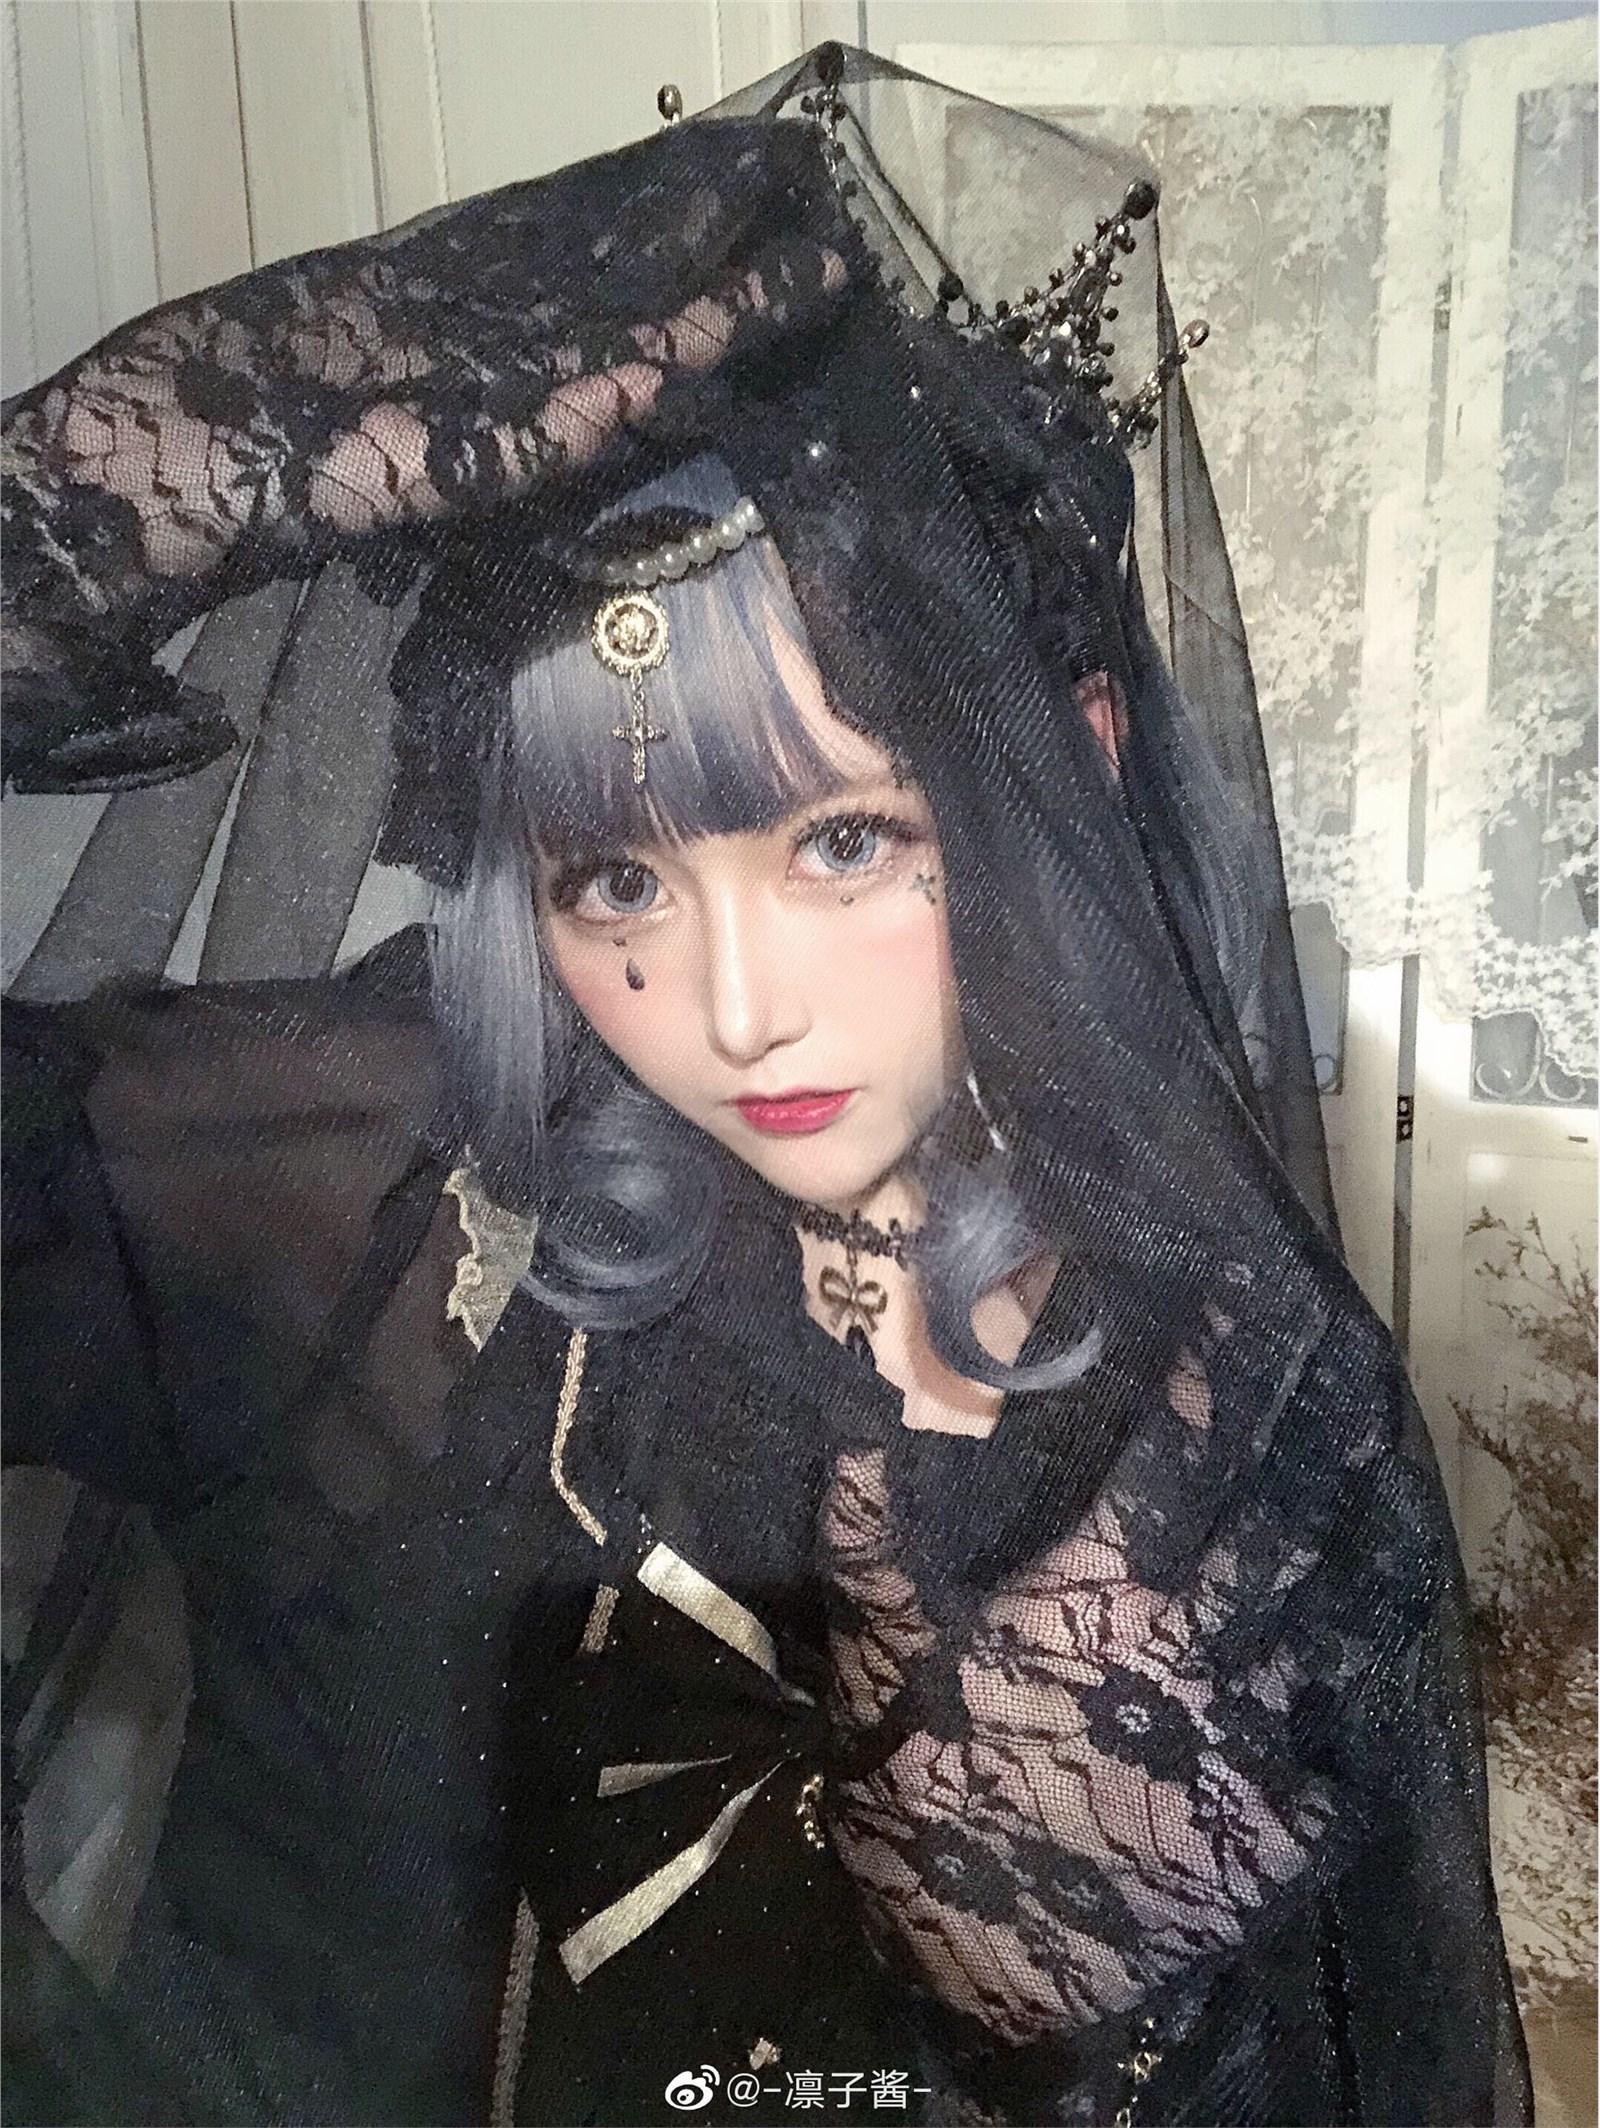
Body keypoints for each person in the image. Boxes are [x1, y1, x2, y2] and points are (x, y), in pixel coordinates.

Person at [2, 42, 1531, 2128]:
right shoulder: (377, 1183)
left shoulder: (1238, 1403)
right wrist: (142, 470)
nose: (734, 1014)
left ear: (1060, 764)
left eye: (845, 843)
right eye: (616, 879)